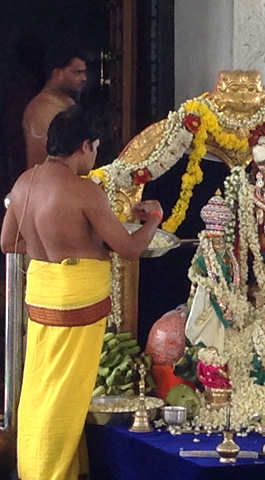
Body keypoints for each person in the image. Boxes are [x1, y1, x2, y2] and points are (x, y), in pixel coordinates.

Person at [1, 105, 163, 480]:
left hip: (41, 296)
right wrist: (153, 220)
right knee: (65, 397)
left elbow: (8, 242)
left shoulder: (24, 182)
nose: (95, 156)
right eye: (95, 148)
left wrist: (56, 251)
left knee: (41, 387)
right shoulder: (84, 191)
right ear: (85, 146)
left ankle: (44, 468)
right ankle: (49, 473)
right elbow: (131, 249)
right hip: (79, 301)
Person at [22, 47, 87, 169]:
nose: (84, 78)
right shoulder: (41, 109)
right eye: (77, 72)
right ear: (57, 73)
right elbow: (39, 164)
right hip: (48, 183)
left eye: (84, 72)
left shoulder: (69, 102)